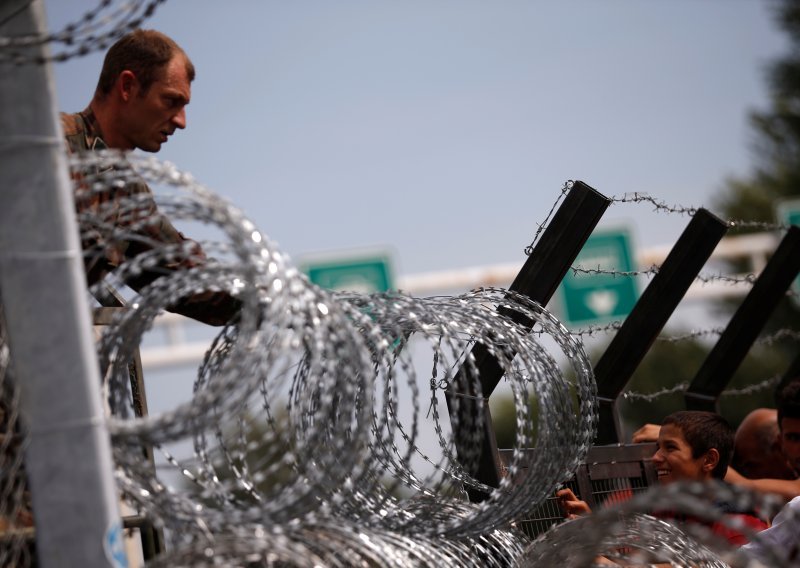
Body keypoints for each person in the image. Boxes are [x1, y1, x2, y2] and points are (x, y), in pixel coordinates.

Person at [61, 29, 241, 326]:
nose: (181, 122)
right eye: (171, 101)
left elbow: (184, 279)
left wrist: (280, 301)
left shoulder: (124, 191)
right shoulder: (47, 150)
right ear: (128, 86)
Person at [559, 411, 769, 546]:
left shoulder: (740, 530)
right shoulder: (668, 512)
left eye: (670, 448)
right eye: (658, 447)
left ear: (709, 460)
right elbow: (630, 559)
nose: (656, 458)